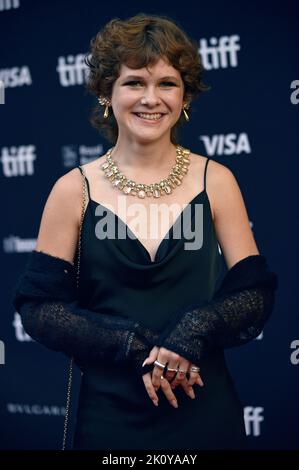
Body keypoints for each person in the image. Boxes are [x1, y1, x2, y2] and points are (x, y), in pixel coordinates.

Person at [13, 13, 278, 450]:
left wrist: (194, 329)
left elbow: (256, 294)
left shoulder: (217, 180)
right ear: (107, 93)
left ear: (185, 94)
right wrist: (131, 345)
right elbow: (39, 309)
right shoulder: (72, 190)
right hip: (109, 417)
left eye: (167, 84)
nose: (151, 99)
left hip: (206, 411)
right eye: (134, 82)